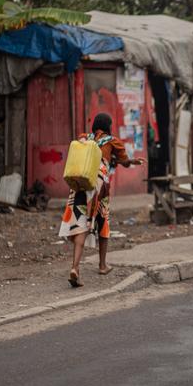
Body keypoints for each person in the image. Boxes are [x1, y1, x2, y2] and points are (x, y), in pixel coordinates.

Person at [60, 113, 144, 287]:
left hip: (79, 184)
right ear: (108, 126)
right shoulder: (112, 141)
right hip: (99, 187)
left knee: (81, 225)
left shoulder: (84, 138)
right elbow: (125, 161)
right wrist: (133, 161)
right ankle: (102, 265)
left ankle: (75, 267)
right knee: (103, 222)